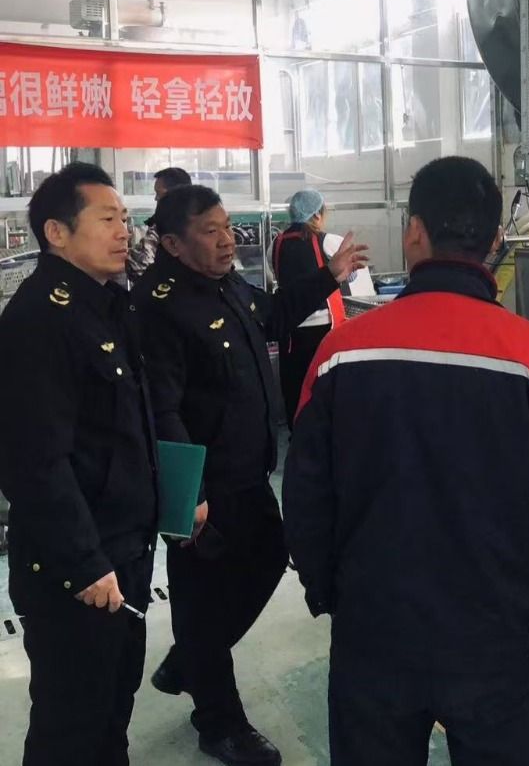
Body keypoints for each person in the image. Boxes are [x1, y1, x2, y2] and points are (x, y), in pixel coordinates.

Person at [283, 156, 529, 766]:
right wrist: (516, 569)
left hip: (375, 626)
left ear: (414, 231)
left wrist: (332, 591)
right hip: (496, 628)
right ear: (496, 240)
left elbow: (304, 496)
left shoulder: (341, 353)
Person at [134, 184, 367, 766]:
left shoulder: (226, 284)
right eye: (209, 231)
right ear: (172, 244)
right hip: (206, 488)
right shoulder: (160, 305)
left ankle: (191, 660)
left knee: (265, 562)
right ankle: (219, 722)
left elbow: (275, 316)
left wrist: (329, 276)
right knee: (201, 602)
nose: (226, 240)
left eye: (225, 227)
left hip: (247, 473)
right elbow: (161, 407)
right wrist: (188, 496)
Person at [0, 162, 158, 766]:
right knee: (69, 722)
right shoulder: (40, 319)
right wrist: (85, 563)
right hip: (78, 570)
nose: (124, 230)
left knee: (113, 704)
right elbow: (33, 460)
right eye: (107, 218)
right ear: (56, 232)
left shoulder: (107, 305)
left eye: (126, 218)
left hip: (124, 549)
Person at [271, 189, 349, 426]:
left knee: (296, 391)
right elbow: (349, 273)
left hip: (290, 332)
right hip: (324, 330)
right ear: (317, 215)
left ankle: (298, 437)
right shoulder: (329, 241)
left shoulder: (277, 243)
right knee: (325, 390)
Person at [125, 166, 191, 283]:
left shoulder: (164, 225)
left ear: (174, 194)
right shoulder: (198, 222)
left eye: (159, 194)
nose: (156, 199)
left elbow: (139, 266)